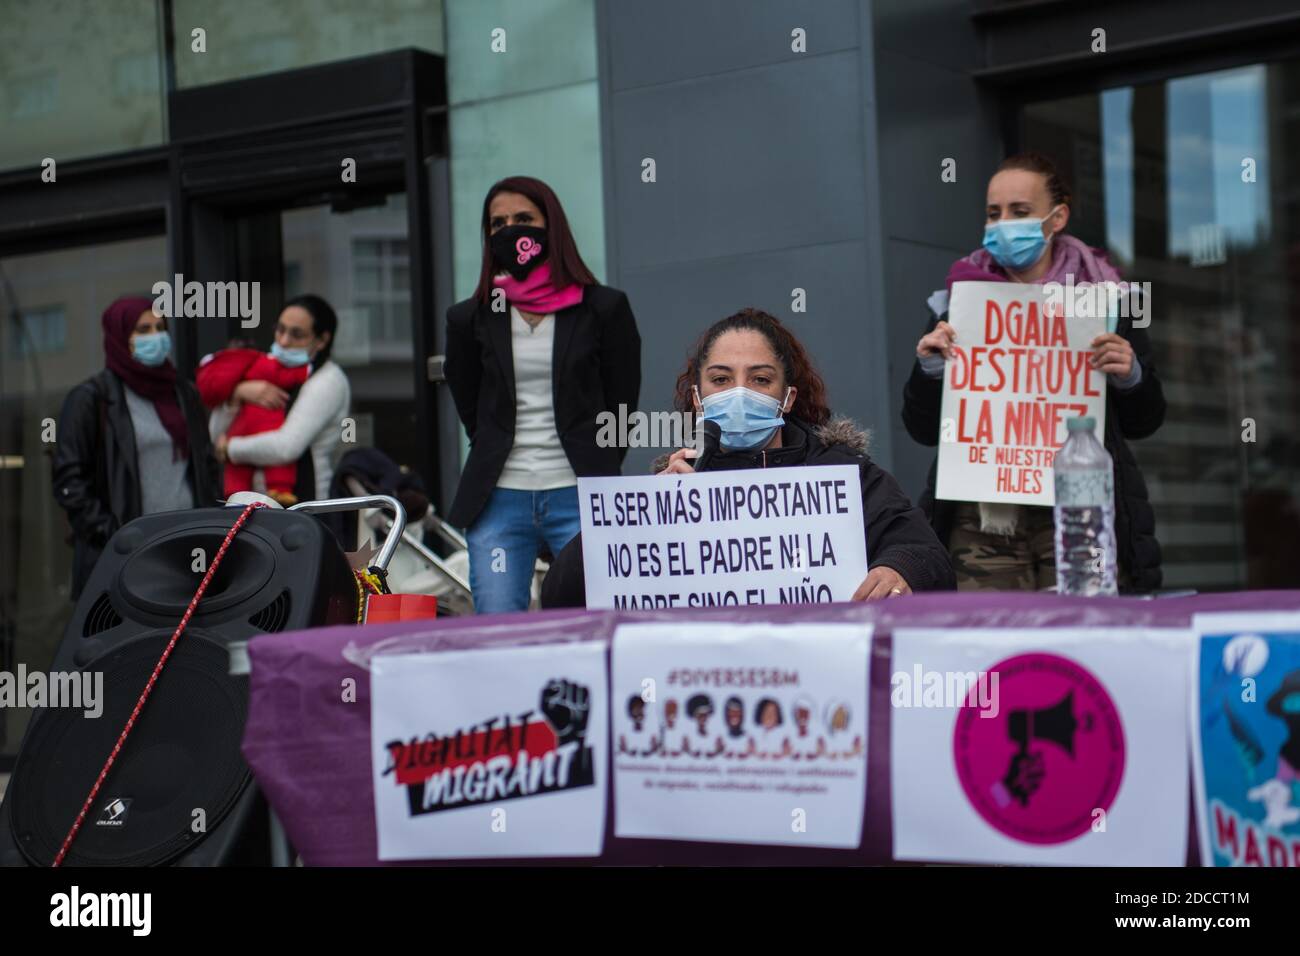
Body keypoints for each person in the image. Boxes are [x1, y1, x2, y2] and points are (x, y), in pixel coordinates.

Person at [539, 308, 956, 607]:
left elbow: (926, 553)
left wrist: (898, 569)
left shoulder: (842, 474)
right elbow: (562, 594)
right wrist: (641, 519)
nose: (740, 393)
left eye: (760, 379)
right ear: (699, 399)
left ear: (787, 397)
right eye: (721, 379)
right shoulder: (672, 484)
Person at [901, 152, 1165, 592]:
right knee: (993, 648)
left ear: (1057, 217)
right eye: (993, 213)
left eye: (1020, 212)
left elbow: (1146, 420)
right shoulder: (958, 306)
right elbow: (923, 430)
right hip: (984, 520)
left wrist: (1130, 375)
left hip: (1082, 513)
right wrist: (929, 372)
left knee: (1085, 640)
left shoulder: (1108, 304)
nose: (1003, 224)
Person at [444, 175, 641, 614]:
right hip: (499, 499)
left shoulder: (603, 309)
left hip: (579, 493)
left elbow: (622, 407)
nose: (510, 230)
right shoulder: (468, 319)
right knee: (498, 630)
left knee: (596, 620)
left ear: (549, 225)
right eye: (498, 223)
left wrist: (598, 462)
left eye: (523, 219)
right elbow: (472, 408)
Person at [52, 295, 220, 600]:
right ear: (119, 338)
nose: (155, 336)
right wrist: (114, 536)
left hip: (188, 551)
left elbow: (206, 464)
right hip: (125, 556)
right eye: (143, 330)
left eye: (160, 327)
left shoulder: (184, 393)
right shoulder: (92, 399)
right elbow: (69, 482)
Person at [204, 294, 350, 504]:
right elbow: (216, 434)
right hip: (250, 504)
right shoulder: (263, 366)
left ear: (322, 340)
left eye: (297, 335)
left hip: (303, 505)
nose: (283, 341)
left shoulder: (329, 379)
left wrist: (229, 449)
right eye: (280, 330)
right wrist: (237, 394)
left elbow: (286, 446)